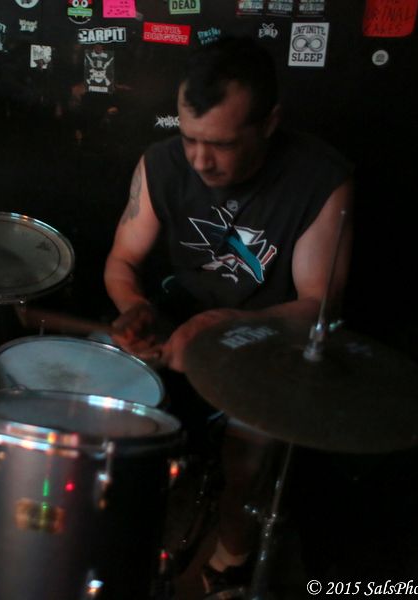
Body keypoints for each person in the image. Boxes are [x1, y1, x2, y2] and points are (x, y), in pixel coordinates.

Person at [103, 36, 353, 593]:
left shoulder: (320, 180)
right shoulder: (160, 164)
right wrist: (136, 309)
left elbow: (319, 305)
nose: (200, 160)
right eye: (189, 138)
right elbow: (122, 262)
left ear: (269, 123)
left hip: (269, 340)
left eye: (220, 144)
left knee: (247, 458)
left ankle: (232, 554)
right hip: (175, 329)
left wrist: (226, 325)